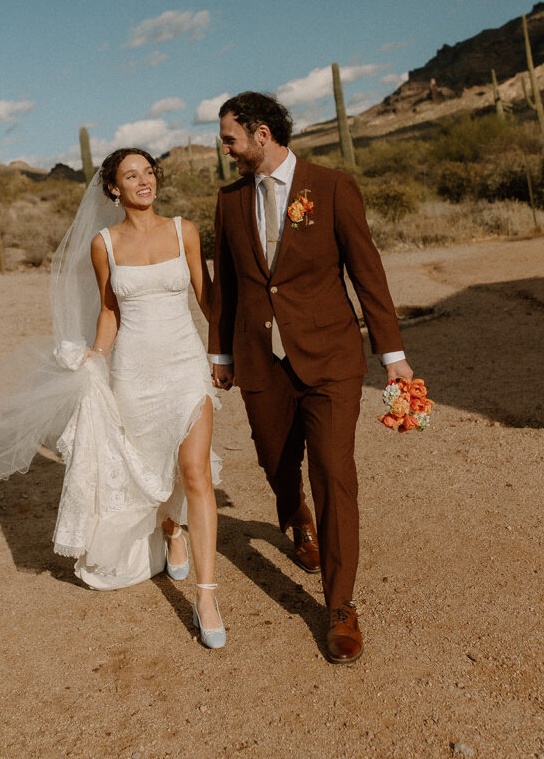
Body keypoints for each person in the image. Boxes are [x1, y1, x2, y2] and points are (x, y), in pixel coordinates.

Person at [0, 148, 225, 649]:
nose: (144, 181)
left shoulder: (183, 231)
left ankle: (206, 597)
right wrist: (94, 358)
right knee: (151, 467)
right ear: (113, 189)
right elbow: (109, 311)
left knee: (194, 472)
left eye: (148, 172)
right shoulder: (105, 244)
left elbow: (207, 298)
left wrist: (225, 352)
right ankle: (171, 530)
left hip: (185, 367)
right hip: (134, 375)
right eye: (131, 176)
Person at [208, 92, 412, 663]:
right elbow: (226, 283)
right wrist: (220, 353)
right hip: (260, 359)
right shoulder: (229, 200)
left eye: (230, 139)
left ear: (262, 134)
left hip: (331, 359)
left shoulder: (332, 187)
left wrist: (392, 354)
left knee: (333, 470)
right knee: (276, 460)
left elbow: (367, 273)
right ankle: (295, 514)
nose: (226, 150)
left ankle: (340, 605)